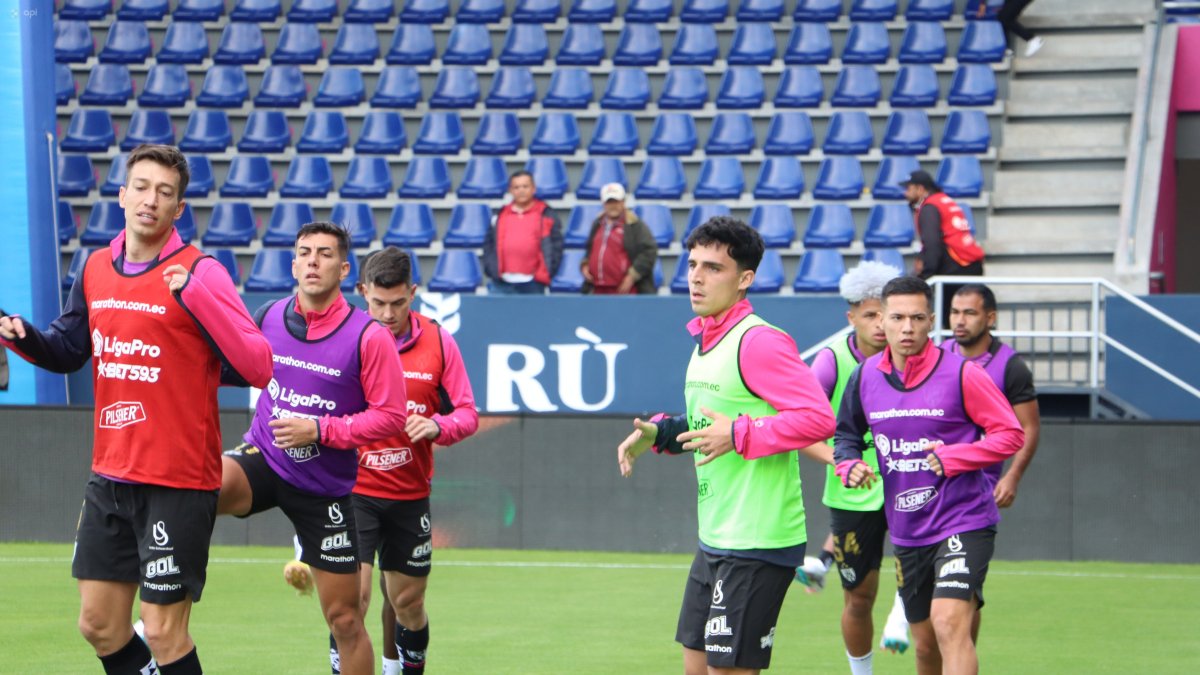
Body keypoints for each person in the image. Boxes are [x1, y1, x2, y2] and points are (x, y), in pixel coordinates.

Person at [0, 144, 273, 674]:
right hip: (111, 474)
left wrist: (197, 297)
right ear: (122, 196)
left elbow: (259, 365)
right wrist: (23, 336)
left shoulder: (202, 272)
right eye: (142, 188)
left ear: (178, 209)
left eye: (165, 193)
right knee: (99, 624)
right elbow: (69, 347)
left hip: (178, 480)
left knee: (166, 631)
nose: (151, 199)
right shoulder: (96, 267)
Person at [616, 216, 836, 674]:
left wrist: (738, 434)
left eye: (713, 267)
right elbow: (709, 424)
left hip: (758, 537)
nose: (695, 276)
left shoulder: (759, 342)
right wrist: (658, 433)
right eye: (693, 263)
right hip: (717, 535)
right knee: (695, 665)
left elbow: (818, 419)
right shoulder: (705, 342)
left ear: (745, 279)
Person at [219, 223, 409, 675]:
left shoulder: (370, 337)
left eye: (324, 254)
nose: (312, 261)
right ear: (293, 263)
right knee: (199, 488)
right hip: (264, 457)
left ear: (344, 270)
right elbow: (230, 368)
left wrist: (320, 430)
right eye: (304, 252)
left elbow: (391, 417)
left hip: (325, 491)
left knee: (345, 619)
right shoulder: (267, 315)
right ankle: (159, 615)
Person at [287, 247, 480, 675]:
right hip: (354, 492)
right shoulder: (345, 340)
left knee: (408, 603)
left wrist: (438, 428)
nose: (388, 314)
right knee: (349, 605)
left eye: (398, 303)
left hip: (410, 495)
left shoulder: (439, 342)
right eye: (378, 303)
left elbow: (467, 413)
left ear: (413, 293)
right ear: (361, 292)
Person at [834, 276, 1024, 675]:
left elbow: (1011, 434)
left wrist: (957, 456)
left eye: (918, 318)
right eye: (898, 317)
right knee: (925, 648)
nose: (908, 328)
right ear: (881, 320)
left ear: (931, 320)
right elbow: (846, 435)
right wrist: (848, 465)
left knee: (949, 622)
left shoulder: (963, 374)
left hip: (964, 519)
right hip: (908, 528)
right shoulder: (864, 377)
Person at [795, 261, 913, 674]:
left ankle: (902, 618)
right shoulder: (830, 363)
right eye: (870, 315)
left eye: (888, 315)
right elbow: (800, 430)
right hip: (852, 496)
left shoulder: (916, 358)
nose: (882, 325)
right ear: (852, 317)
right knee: (858, 598)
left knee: (921, 583)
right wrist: (843, 462)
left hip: (912, 488)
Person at [946, 284, 1040, 507]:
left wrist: (1013, 476)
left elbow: (1030, 427)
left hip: (980, 487)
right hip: (935, 482)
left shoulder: (1011, 367)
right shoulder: (937, 354)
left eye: (969, 313)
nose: (959, 321)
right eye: (954, 312)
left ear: (990, 318)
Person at [902, 170, 984, 327]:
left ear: (920, 189)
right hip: (971, 265)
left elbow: (932, 243)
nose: (906, 193)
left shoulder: (929, 207)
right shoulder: (944, 200)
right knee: (971, 320)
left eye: (908, 188)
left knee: (950, 322)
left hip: (955, 269)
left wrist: (925, 277)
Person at [482, 170, 563, 295]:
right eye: (516, 187)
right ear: (510, 190)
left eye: (525, 186)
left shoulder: (546, 214)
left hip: (533, 284)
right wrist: (492, 269)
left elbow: (556, 246)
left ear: (533, 188)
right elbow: (488, 244)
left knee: (533, 315)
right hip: (501, 284)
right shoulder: (500, 215)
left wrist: (547, 271)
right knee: (498, 315)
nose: (521, 190)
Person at [580, 183, 658, 295]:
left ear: (623, 202)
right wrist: (585, 265)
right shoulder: (597, 224)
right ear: (603, 203)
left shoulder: (635, 225)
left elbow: (649, 251)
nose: (613, 205)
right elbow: (589, 250)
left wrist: (632, 276)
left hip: (625, 291)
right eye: (609, 202)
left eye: (616, 201)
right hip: (597, 290)